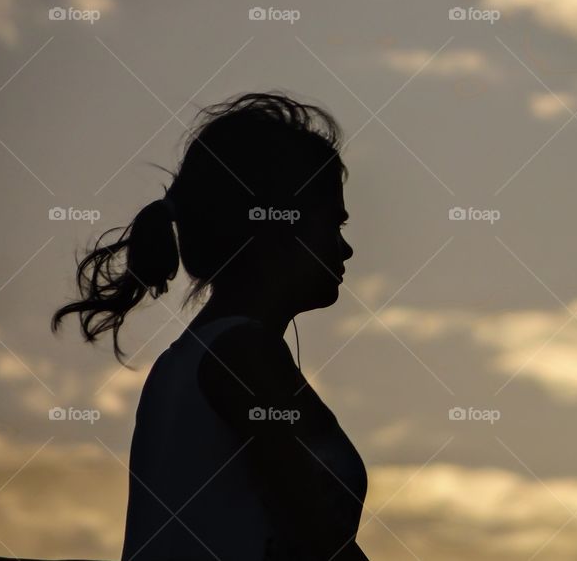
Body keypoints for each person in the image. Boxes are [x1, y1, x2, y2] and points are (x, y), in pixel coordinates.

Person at [51, 92, 367, 560]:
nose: (345, 250)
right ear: (281, 227)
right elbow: (314, 541)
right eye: (333, 225)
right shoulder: (244, 356)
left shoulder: (185, 360)